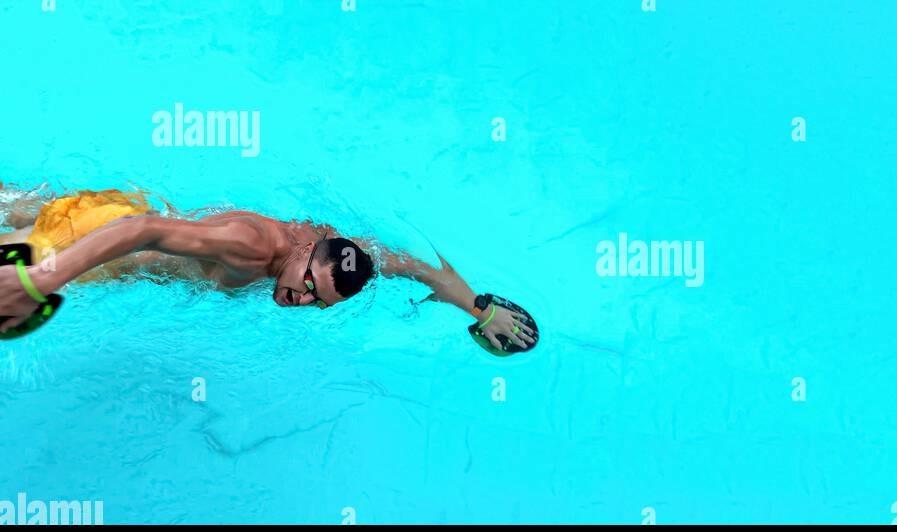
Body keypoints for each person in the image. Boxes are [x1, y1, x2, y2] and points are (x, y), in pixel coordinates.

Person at [0, 187, 537, 352]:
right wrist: (46, 278)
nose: (299, 298)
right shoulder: (252, 247)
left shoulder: (342, 251)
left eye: (316, 299)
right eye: (307, 283)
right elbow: (145, 230)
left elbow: (423, 270)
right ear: (305, 253)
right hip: (95, 246)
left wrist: (478, 309)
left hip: (106, 209)